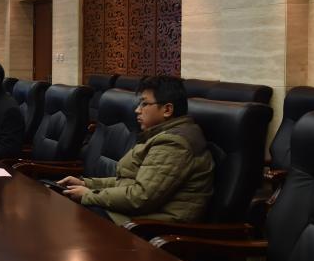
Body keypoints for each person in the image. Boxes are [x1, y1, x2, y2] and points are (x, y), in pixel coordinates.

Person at [58, 75, 214, 225]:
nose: (137, 110)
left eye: (144, 104)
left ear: (167, 109)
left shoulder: (174, 143)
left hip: (150, 225)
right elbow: (128, 182)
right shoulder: (160, 135)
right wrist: (87, 183)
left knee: (70, 214)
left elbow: (141, 197)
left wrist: (89, 195)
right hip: (136, 216)